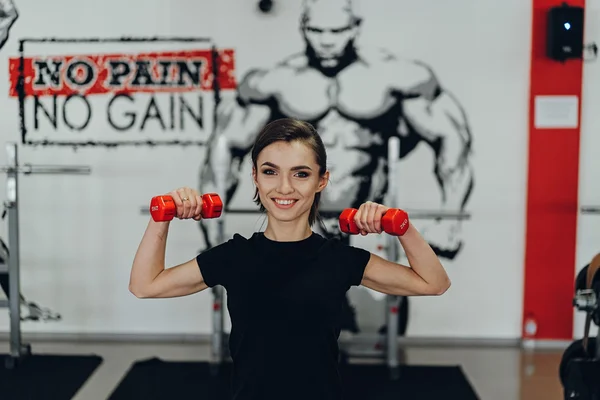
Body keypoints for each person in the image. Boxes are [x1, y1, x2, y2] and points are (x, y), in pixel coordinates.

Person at [131, 118, 451, 400]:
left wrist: (400, 226)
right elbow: (145, 285)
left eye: (300, 174)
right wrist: (163, 217)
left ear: (321, 180)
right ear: (255, 176)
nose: (284, 187)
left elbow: (434, 283)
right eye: (271, 172)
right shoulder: (234, 256)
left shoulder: (338, 260)